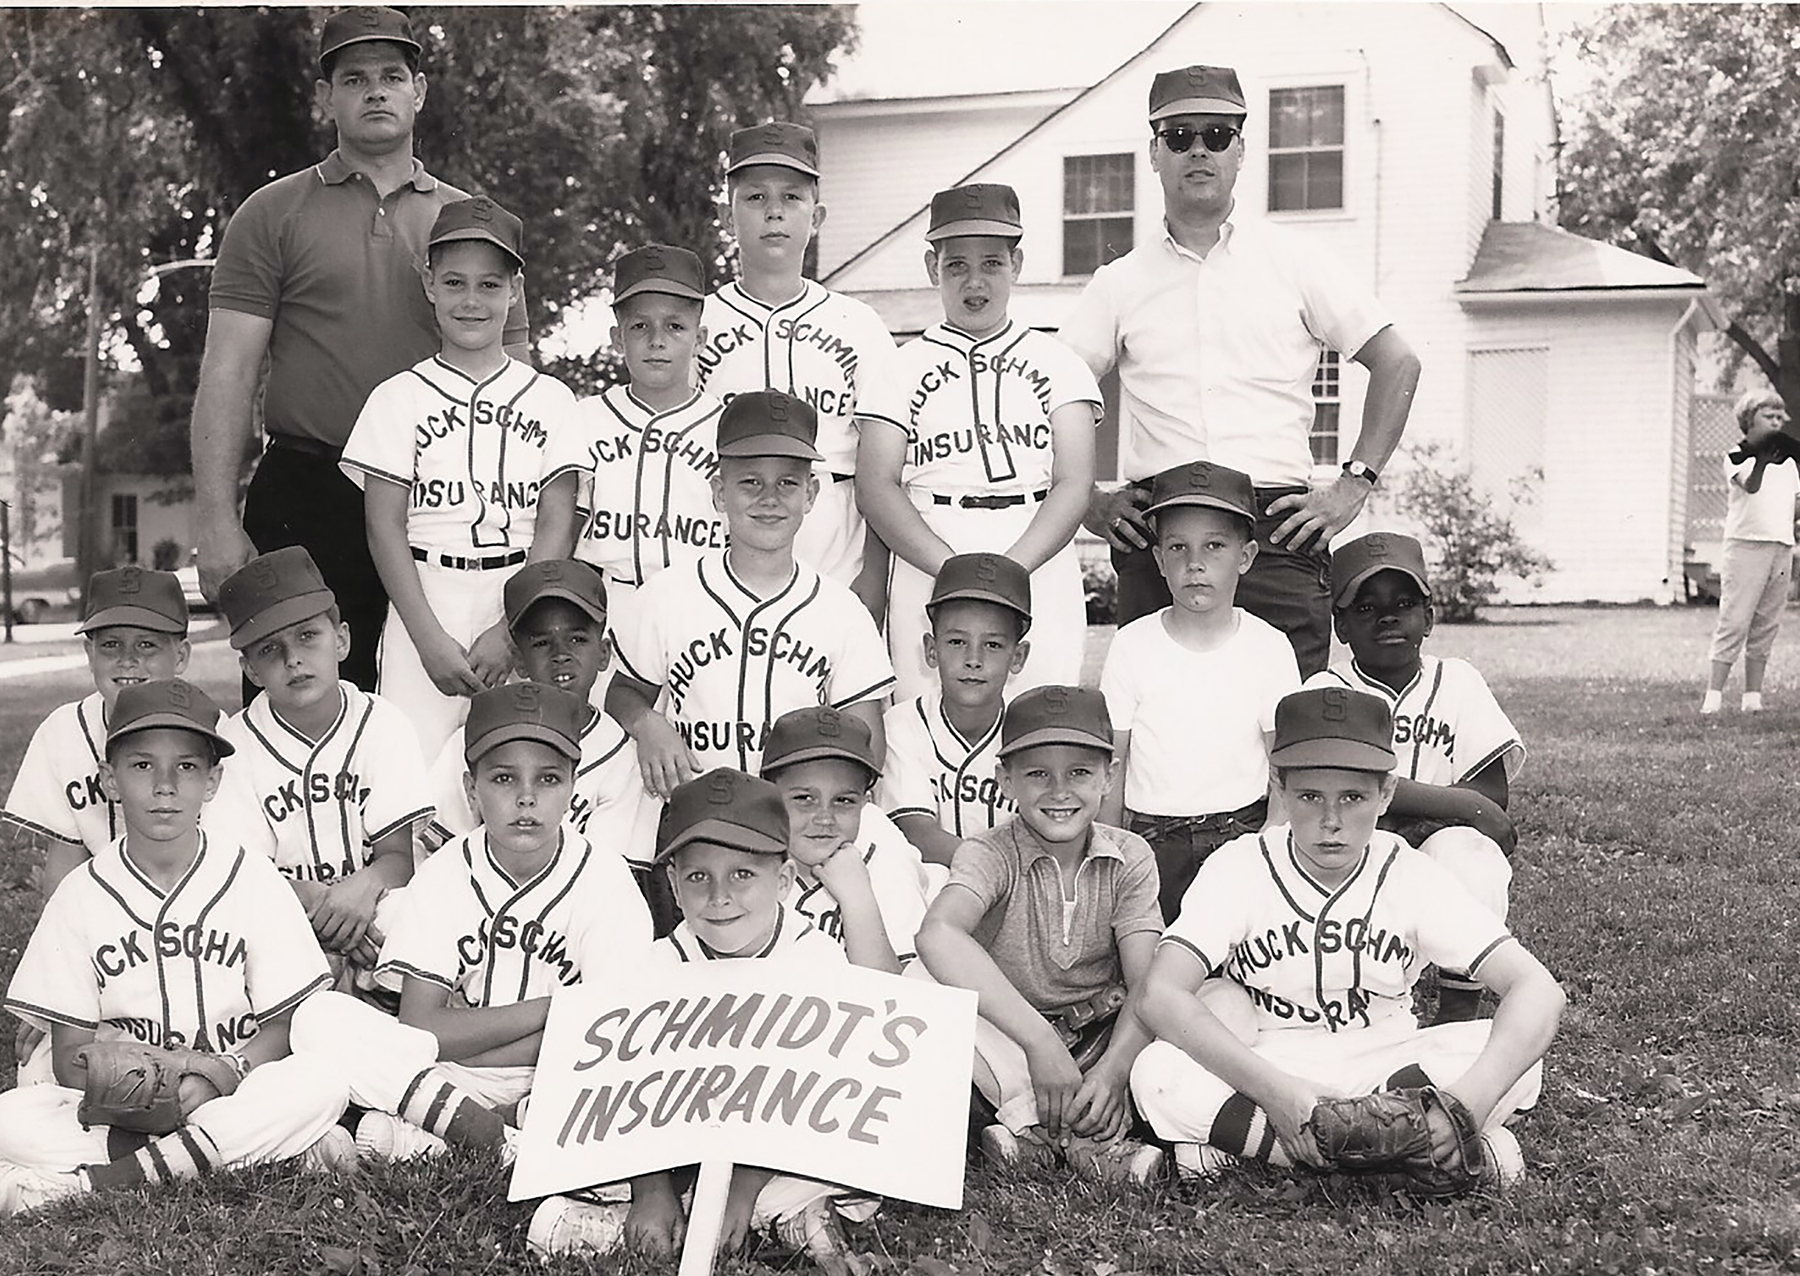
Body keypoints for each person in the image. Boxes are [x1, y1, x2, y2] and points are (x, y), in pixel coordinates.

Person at [193, 6, 529, 694]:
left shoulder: (472, 227)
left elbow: (516, 385)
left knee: (444, 703)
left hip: (443, 497)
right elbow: (228, 372)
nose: (375, 90)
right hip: (307, 493)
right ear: (326, 98)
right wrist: (216, 519)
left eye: (391, 75)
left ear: (419, 91)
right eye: (353, 78)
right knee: (298, 700)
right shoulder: (270, 214)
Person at [1059, 63, 1421, 677]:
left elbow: (1396, 360)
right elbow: (1048, 392)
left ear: (1241, 149)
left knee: (1290, 727)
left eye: (1217, 134)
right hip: (1160, 527)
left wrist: (1354, 483)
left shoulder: (1296, 261)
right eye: (1179, 136)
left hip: (1277, 530)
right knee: (1159, 724)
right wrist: (1086, 501)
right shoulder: (1118, 283)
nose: (1198, 150)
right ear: (1154, 151)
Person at [1129, 687, 1564, 1188]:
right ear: (1278, 785)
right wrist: (1275, 1092)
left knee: (1510, 1057)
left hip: (1387, 1066)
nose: (1331, 821)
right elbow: (1159, 994)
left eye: (1352, 797)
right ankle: (1407, 1161)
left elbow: (1539, 990)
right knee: (1158, 1073)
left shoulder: (1407, 873)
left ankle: (1269, 1154)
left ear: (1386, 793)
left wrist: (1467, 1106)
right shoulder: (1240, 865)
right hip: (1273, 1060)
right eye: (1311, 796)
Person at [0, 680, 349, 1215]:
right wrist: (162, 1080)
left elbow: (284, 1030)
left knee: (319, 1085)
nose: (165, 785)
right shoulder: (81, 894)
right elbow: (70, 1059)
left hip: (232, 1086)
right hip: (121, 1100)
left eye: (186, 767)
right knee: (10, 1122)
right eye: (142, 766)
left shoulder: (254, 878)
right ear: (109, 781)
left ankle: (97, 1184)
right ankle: (255, 1150)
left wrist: (215, 1076)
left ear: (213, 782)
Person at [529, 768, 874, 1271]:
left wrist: (741, 1186)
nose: (719, 897)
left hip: (776, 1151)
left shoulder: (816, 959)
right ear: (672, 882)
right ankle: (765, 1218)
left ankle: (759, 1212)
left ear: (782, 879)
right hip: (679, 1148)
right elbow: (626, 1096)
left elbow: (812, 1106)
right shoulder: (654, 965)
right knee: (570, 1134)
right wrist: (650, 1188)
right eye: (698, 877)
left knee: (853, 1154)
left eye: (742, 874)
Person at [330, 682, 654, 1162]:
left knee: (627, 1075)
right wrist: (554, 1008)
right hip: (455, 1073)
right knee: (323, 1021)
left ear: (572, 786)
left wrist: (463, 1046)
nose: (527, 798)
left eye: (548, 779)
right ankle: (501, 1138)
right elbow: (422, 1027)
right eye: (504, 779)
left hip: (560, 1069)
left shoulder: (606, 878)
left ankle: (437, 1137)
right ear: (470, 790)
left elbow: (607, 1030)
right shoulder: (444, 873)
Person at [340, 195, 576, 758]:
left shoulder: (552, 399)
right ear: (429, 283)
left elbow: (558, 520)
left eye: (490, 285)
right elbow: (384, 528)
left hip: (519, 593)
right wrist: (427, 640)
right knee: (412, 775)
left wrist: (511, 627)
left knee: (520, 762)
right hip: (426, 597)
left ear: (515, 289)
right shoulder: (396, 398)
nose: (472, 301)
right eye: (454, 283)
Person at [857, 183, 1100, 700]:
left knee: (1042, 720)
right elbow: (876, 486)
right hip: (932, 550)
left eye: (991, 263)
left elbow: (1074, 483)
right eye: (955, 265)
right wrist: (953, 572)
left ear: (1017, 264)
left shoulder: (1060, 363)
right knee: (927, 726)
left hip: (1035, 548)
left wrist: (1010, 570)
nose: (974, 281)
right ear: (931, 268)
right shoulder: (899, 369)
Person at [914, 686, 1165, 1185]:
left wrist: (1114, 1072)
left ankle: (1036, 1132)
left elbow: (1146, 985)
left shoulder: (1130, 855)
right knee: (921, 988)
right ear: (1005, 780)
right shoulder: (989, 852)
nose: (1059, 791)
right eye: (1037, 774)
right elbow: (937, 934)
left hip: (1101, 1036)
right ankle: (1085, 1142)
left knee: (1191, 1013)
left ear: (1109, 776)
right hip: (1011, 1038)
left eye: (1079, 772)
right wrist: (1038, 1042)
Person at [606, 390, 895, 796]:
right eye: (751, 482)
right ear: (720, 492)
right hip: (692, 813)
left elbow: (868, 743)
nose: (769, 499)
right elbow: (624, 694)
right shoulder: (666, 595)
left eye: (787, 484)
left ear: (810, 494)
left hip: (795, 821)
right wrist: (646, 722)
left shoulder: (841, 611)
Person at [1306, 532, 1523, 1024]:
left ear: (1428, 618)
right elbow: (1346, 789)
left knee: (1473, 856)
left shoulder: (1458, 680)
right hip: (1350, 857)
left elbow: (1492, 799)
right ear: (1339, 626)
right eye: (1365, 608)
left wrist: (1415, 811)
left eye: (1403, 603)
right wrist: (1458, 808)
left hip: (1436, 858)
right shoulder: (1327, 688)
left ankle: (1458, 1011)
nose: (1386, 618)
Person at [695, 122, 897, 611]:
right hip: (714, 547)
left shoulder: (860, 325)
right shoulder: (695, 324)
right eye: (755, 198)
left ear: (817, 215)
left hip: (835, 549)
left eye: (791, 197)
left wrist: (872, 580)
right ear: (727, 215)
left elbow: (883, 473)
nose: (774, 213)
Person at [212, 546, 430, 992]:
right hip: (284, 911)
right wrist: (324, 908)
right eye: (270, 649)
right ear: (250, 669)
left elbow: (398, 862)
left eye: (308, 636)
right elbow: (241, 875)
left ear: (342, 639)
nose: (293, 659)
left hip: (375, 905)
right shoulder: (234, 745)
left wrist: (362, 891)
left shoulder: (382, 722)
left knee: (407, 915)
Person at [1098, 461, 1300, 923]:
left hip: (1241, 835)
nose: (1195, 563)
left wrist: (1268, 843)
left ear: (1246, 556)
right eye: (1178, 547)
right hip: (1152, 842)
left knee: (1237, 970)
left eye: (1214, 546)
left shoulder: (1269, 647)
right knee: (1148, 967)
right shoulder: (1133, 645)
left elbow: (1284, 763)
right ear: (1158, 559)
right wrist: (1111, 849)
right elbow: (1115, 760)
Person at [422, 559, 660, 898]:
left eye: (577, 639)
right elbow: (436, 851)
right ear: (518, 660)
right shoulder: (475, 737)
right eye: (541, 643)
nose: (561, 654)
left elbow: (608, 886)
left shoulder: (625, 757)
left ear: (604, 653)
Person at [533, 244, 726, 653]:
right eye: (640, 327)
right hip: (608, 606)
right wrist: (526, 610)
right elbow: (556, 525)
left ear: (700, 338)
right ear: (617, 338)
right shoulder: (585, 418)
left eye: (675, 326)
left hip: (705, 606)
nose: (657, 341)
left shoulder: (725, 426)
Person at [4, 567, 195, 896]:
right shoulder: (63, 732)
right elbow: (66, 860)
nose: (127, 660)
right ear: (89, 655)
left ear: (180, 656)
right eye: (110, 645)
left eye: (147, 645)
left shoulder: (215, 732)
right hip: (102, 914)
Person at [879, 553, 1031, 869]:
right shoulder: (902, 726)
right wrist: (1002, 870)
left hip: (1018, 897)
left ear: (1017, 657)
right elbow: (917, 833)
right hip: (928, 896)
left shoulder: (1035, 729)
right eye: (957, 641)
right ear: (931, 650)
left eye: (992, 645)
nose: (973, 659)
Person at [760, 706, 931, 972]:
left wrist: (857, 898)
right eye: (805, 799)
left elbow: (896, 995)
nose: (824, 818)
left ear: (866, 802)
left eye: (843, 801)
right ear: (768, 797)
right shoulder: (744, 849)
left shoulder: (884, 847)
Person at [1702, 388, 1798, 714]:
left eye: (1778, 417)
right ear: (1748, 420)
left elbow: (1790, 507)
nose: (1775, 422)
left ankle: (1752, 698)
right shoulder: (1736, 455)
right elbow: (1751, 485)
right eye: (1767, 416)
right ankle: (1713, 697)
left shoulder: (1788, 462)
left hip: (1781, 546)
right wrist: (1760, 462)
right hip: (1746, 545)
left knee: (1767, 623)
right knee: (1735, 620)